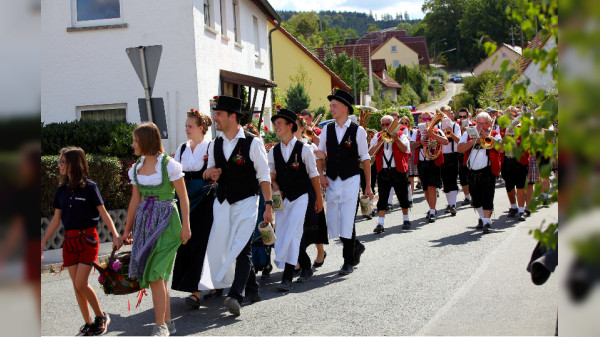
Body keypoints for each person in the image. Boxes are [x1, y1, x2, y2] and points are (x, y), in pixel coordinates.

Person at [200, 95, 273, 316]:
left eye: (219, 114)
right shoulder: (215, 144)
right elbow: (209, 171)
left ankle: (235, 295)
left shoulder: (253, 142)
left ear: (233, 117)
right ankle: (252, 288)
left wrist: (268, 206)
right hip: (222, 202)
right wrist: (209, 173)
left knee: (241, 245)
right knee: (224, 246)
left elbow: (264, 176)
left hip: (247, 201)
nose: (215, 118)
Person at [41, 147, 121, 336]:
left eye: (62, 162)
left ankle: (101, 317)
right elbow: (56, 219)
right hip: (69, 241)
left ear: (74, 164)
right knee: (76, 286)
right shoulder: (61, 190)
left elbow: (103, 213)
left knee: (81, 283)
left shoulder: (90, 187)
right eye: (59, 162)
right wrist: (43, 241)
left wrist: (116, 235)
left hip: (88, 239)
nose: (59, 165)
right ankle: (88, 324)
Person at [120, 123, 190, 336]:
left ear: (146, 141)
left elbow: (183, 197)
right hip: (145, 222)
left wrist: (186, 226)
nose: (132, 144)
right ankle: (167, 322)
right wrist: (126, 230)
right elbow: (135, 200)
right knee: (157, 275)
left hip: (168, 222)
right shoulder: (136, 168)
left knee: (154, 272)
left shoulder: (169, 165)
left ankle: (160, 326)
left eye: (135, 140)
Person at [315, 89, 373, 276]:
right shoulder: (327, 129)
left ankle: (347, 261)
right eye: (330, 105)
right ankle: (356, 246)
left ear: (345, 108)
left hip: (351, 179)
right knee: (335, 220)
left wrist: (368, 185)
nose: (331, 108)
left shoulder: (358, 130)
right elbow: (320, 154)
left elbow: (365, 158)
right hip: (332, 179)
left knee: (348, 219)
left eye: (334, 105)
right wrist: (321, 175)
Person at [269, 108, 323, 291]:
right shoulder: (274, 151)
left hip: (301, 196)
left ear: (290, 126)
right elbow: (271, 174)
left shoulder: (304, 149)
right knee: (283, 233)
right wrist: (274, 183)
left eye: (279, 123)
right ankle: (303, 267)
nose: (275, 126)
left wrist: (319, 199)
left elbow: (313, 174)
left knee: (293, 233)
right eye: (275, 123)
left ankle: (287, 277)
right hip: (283, 199)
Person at [170, 109, 218, 308]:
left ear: (201, 128)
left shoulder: (211, 146)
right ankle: (196, 285)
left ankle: (199, 289)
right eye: (186, 126)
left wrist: (212, 171)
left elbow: (217, 171)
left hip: (205, 198)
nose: (186, 129)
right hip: (185, 198)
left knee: (202, 242)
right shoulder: (182, 148)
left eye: (190, 126)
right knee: (186, 241)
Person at [457, 112, 503, 234]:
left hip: (488, 170)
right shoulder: (468, 133)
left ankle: (487, 221)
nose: (481, 126)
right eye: (479, 123)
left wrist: (489, 137)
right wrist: (474, 141)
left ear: (489, 124)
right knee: (476, 198)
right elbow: (459, 149)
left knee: (488, 195)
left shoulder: (494, 133)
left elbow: (502, 149)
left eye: (484, 123)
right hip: (472, 170)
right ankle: (482, 217)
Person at [293, 119, 329, 268]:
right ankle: (297, 259)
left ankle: (320, 251)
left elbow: (319, 167)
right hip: (293, 191)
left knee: (313, 223)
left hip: (309, 188)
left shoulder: (309, 146)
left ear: (302, 128)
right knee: (294, 226)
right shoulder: (282, 147)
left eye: (295, 125)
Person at [369, 115, 412, 233]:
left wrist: (396, 139)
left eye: (387, 124)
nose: (385, 127)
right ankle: (380, 223)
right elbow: (371, 152)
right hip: (383, 172)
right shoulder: (378, 136)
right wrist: (380, 141)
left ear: (392, 124)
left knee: (402, 196)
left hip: (398, 170)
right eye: (383, 125)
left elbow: (405, 150)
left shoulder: (401, 134)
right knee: (382, 198)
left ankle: (406, 219)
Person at [410, 111, 449, 222]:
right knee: (425, 187)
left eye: (429, 119)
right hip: (422, 163)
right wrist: (420, 143)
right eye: (424, 119)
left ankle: (432, 210)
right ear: (421, 120)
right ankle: (431, 208)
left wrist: (432, 135)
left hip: (433, 162)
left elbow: (445, 141)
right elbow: (411, 145)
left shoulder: (437, 130)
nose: (426, 121)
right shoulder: (417, 132)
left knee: (432, 186)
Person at [500, 106, 529, 221]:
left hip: (519, 159)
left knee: (520, 186)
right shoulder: (502, 128)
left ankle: (521, 210)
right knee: (509, 186)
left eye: (513, 115)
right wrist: (505, 136)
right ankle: (513, 207)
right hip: (506, 159)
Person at [439, 105, 462, 216]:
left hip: (453, 155)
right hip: (441, 155)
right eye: (442, 114)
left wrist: (451, 133)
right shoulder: (437, 126)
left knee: (452, 179)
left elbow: (459, 141)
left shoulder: (455, 126)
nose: (445, 116)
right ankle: (450, 203)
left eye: (447, 114)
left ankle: (453, 204)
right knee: (445, 181)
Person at [456, 108, 473, 206]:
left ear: (468, 116)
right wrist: (461, 131)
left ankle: (474, 196)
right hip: (461, 154)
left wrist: (467, 130)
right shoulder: (456, 125)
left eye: (464, 117)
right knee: (462, 176)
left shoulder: (474, 125)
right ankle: (467, 197)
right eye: (460, 117)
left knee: (471, 176)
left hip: (471, 153)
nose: (462, 119)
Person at [400, 116, 417, 207]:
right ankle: (404, 197)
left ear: (409, 124)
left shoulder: (412, 132)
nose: (404, 125)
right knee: (403, 178)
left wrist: (406, 137)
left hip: (410, 155)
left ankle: (410, 197)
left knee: (410, 177)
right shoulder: (398, 132)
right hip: (401, 156)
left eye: (405, 123)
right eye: (402, 123)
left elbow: (412, 144)